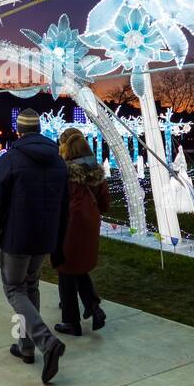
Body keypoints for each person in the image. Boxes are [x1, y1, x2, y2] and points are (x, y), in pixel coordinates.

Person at [0, 109, 69, 385]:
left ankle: (45, 342)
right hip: (44, 237)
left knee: (14, 289)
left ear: (19, 131)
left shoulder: (10, 160)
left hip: (16, 237)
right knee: (30, 287)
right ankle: (26, 347)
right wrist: (58, 240)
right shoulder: (58, 161)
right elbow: (64, 206)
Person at [53, 128, 109, 336]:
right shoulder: (96, 172)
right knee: (78, 268)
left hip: (70, 228)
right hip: (90, 226)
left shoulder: (67, 175)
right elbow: (104, 203)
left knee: (65, 271)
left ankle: (71, 322)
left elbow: (61, 204)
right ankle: (94, 308)